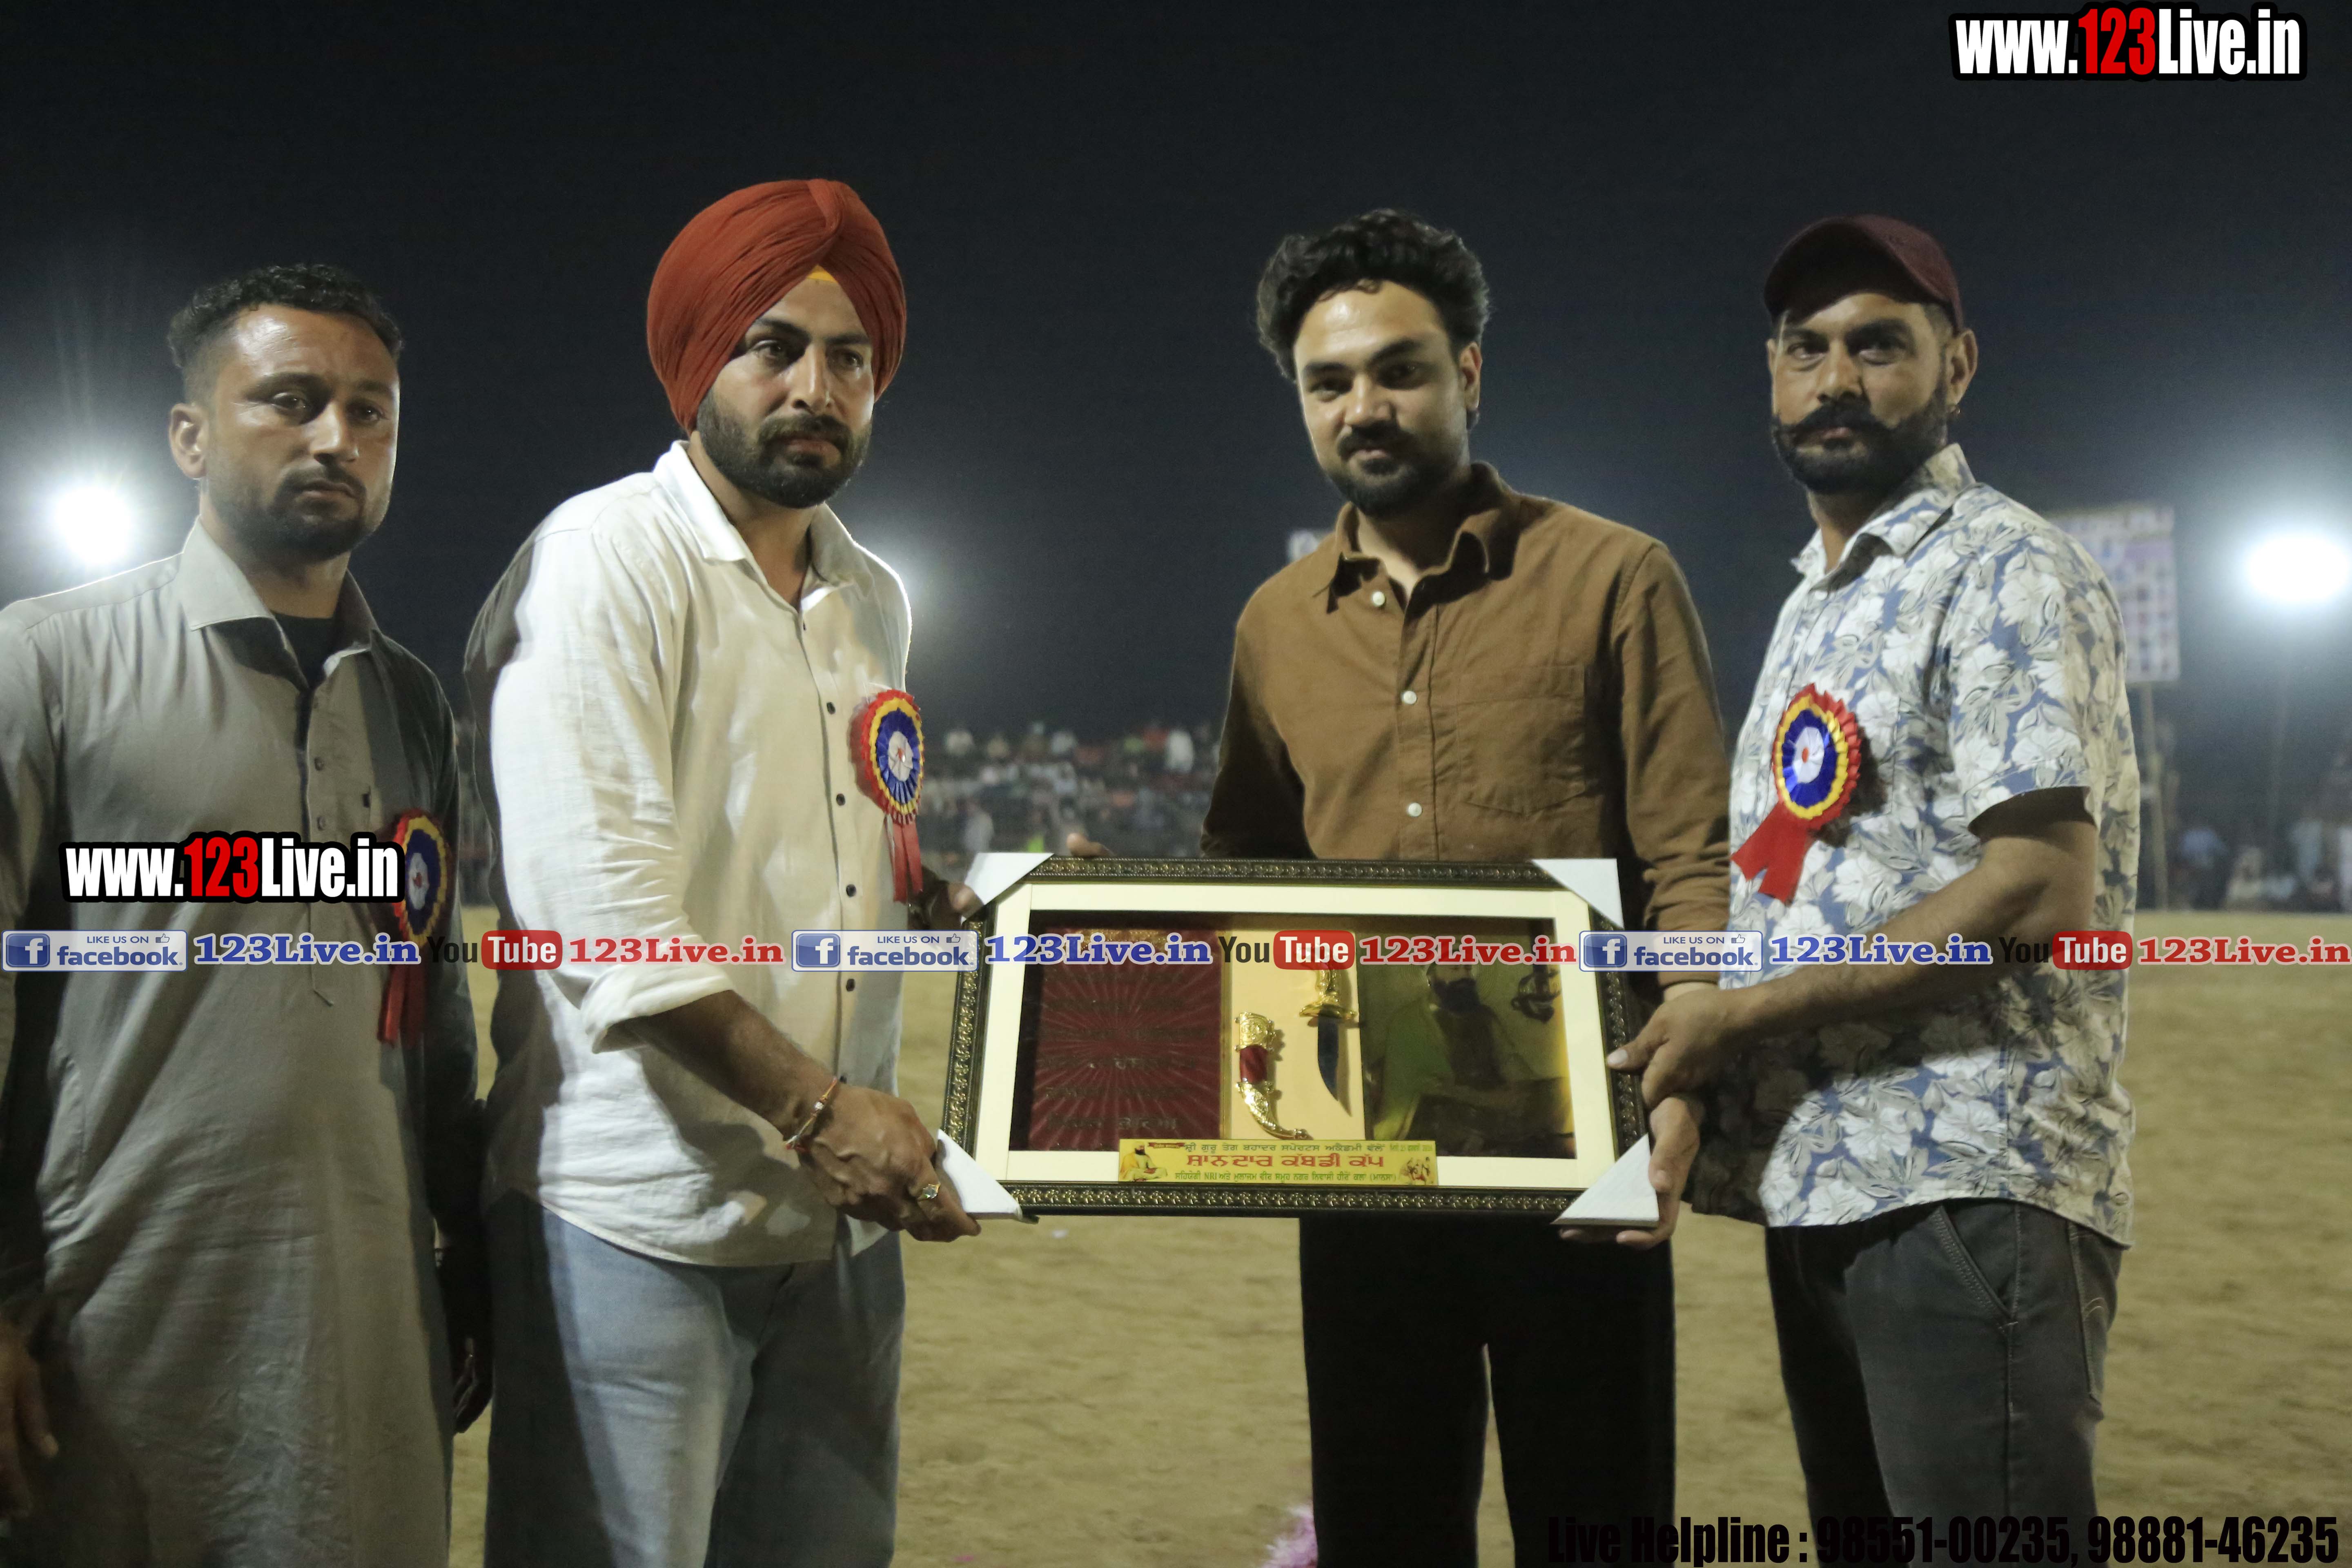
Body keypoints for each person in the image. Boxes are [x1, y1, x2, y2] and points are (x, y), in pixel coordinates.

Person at [1196, 208, 1731, 1564]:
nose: (1363, 407)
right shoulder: (1275, 625)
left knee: (1598, 1516)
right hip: (1358, 1155)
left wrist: (1683, 1088)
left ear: (1469, 374)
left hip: (1581, 1141)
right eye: (1329, 382)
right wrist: (1110, 918)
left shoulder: (1613, 578)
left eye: (1400, 370)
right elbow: (1248, 876)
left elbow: (1690, 857)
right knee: (1384, 1520)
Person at [466, 178, 978, 1568]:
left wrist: (943, 899)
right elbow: (605, 922)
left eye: (851, 358)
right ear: (700, 360)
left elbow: (835, 843)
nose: (816, 387)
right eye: (774, 347)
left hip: (838, 1224)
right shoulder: (602, 563)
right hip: (639, 1213)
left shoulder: (873, 594)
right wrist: (818, 1111)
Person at [1620, 215, 2138, 1528]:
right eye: (1806, 349)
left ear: (1958, 365)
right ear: (1773, 376)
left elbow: (2037, 891)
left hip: (1970, 1177)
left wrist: (1739, 1015)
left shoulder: (2007, 566)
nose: (1836, 379)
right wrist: (1705, 1067)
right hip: (1825, 1177)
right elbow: (1785, 884)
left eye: (1879, 346)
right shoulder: (1818, 600)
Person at [0, 264, 487, 1563]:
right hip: (111, 1319)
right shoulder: (47, 661)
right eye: (290, 399)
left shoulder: (410, 703)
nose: (337, 437)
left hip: (371, 1321)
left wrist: (470, 1244)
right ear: (190, 436)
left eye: (371, 412)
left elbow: (433, 1006)